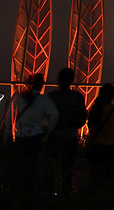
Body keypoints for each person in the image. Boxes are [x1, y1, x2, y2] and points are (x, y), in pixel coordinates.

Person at [11, 73, 59, 195]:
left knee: (20, 168)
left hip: (20, 138)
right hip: (35, 138)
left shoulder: (19, 98)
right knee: (33, 167)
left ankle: (18, 193)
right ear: (41, 85)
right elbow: (54, 115)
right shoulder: (43, 100)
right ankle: (31, 193)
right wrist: (47, 130)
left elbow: (10, 119)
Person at [46, 67, 87, 195]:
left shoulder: (52, 97)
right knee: (67, 169)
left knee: (52, 169)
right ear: (72, 80)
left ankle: (49, 194)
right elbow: (82, 118)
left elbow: (45, 117)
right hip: (70, 138)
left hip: (54, 137)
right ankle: (65, 195)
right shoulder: (77, 97)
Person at [86, 83, 114, 192]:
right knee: (110, 175)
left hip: (96, 145)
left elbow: (90, 126)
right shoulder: (113, 110)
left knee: (95, 174)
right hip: (110, 146)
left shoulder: (95, 109)